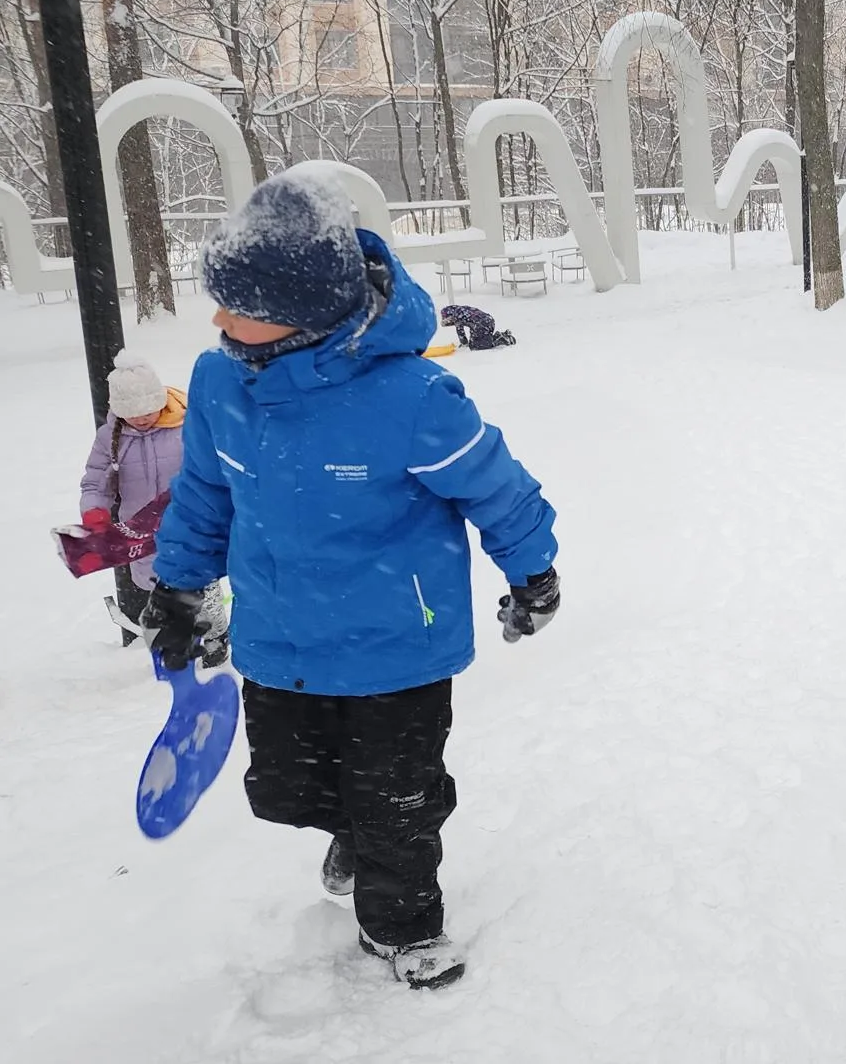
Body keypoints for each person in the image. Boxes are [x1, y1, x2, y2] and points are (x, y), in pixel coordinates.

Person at [148, 165, 561, 990]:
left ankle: (405, 927)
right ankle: (356, 833)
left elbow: (496, 486)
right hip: (280, 638)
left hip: (395, 647)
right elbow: (202, 492)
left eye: (241, 306)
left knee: (397, 801)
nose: (219, 318)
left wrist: (533, 569)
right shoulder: (220, 382)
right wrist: (180, 584)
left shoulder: (411, 397)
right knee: (286, 788)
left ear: (301, 312)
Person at [78, 353, 190, 647]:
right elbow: (94, 482)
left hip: (190, 530)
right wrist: (94, 513)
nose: (142, 417)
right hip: (141, 535)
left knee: (199, 591)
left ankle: (213, 648)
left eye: (148, 408)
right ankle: (173, 649)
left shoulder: (188, 427)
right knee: (161, 594)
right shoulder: (110, 438)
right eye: (132, 411)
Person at [439, 303, 515, 351]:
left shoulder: (457, 315)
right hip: (489, 320)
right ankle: (500, 335)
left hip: (482, 324)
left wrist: (464, 343)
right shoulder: (463, 309)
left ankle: (500, 340)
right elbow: (471, 322)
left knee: (474, 346)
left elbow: (460, 331)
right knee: (475, 339)